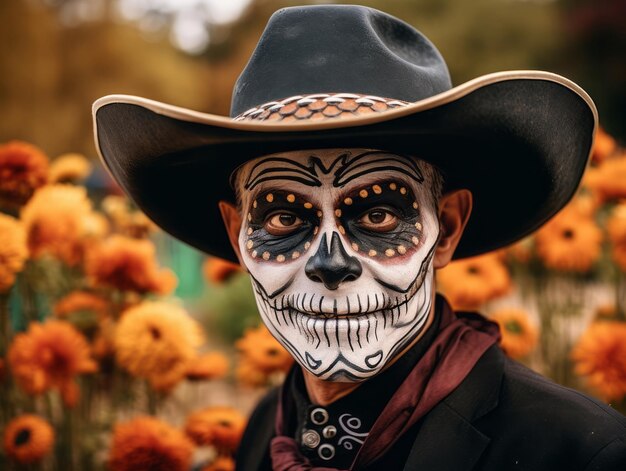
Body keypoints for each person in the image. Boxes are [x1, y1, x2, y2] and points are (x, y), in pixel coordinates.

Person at [92, 5, 626, 470]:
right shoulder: (263, 431)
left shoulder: (576, 451)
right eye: (282, 219)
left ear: (447, 228)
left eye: (377, 216)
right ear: (237, 234)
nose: (331, 263)